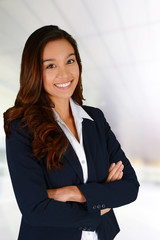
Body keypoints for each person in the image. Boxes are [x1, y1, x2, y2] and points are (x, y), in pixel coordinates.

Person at [4, 25, 140, 240]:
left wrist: (74, 193)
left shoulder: (95, 119)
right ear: (34, 71)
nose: (64, 73)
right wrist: (100, 201)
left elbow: (130, 187)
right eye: (50, 66)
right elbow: (35, 209)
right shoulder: (21, 127)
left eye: (70, 61)